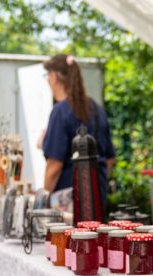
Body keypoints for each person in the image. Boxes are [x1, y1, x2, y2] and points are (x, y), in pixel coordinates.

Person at [41, 54, 116, 218]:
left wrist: (43, 201)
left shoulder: (60, 111)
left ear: (54, 76)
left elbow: (54, 166)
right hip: (97, 200)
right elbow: (110, 158)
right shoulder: (97, 110)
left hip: (67, 205)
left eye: (46, 75)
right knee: (91, 242)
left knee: (66, 244)